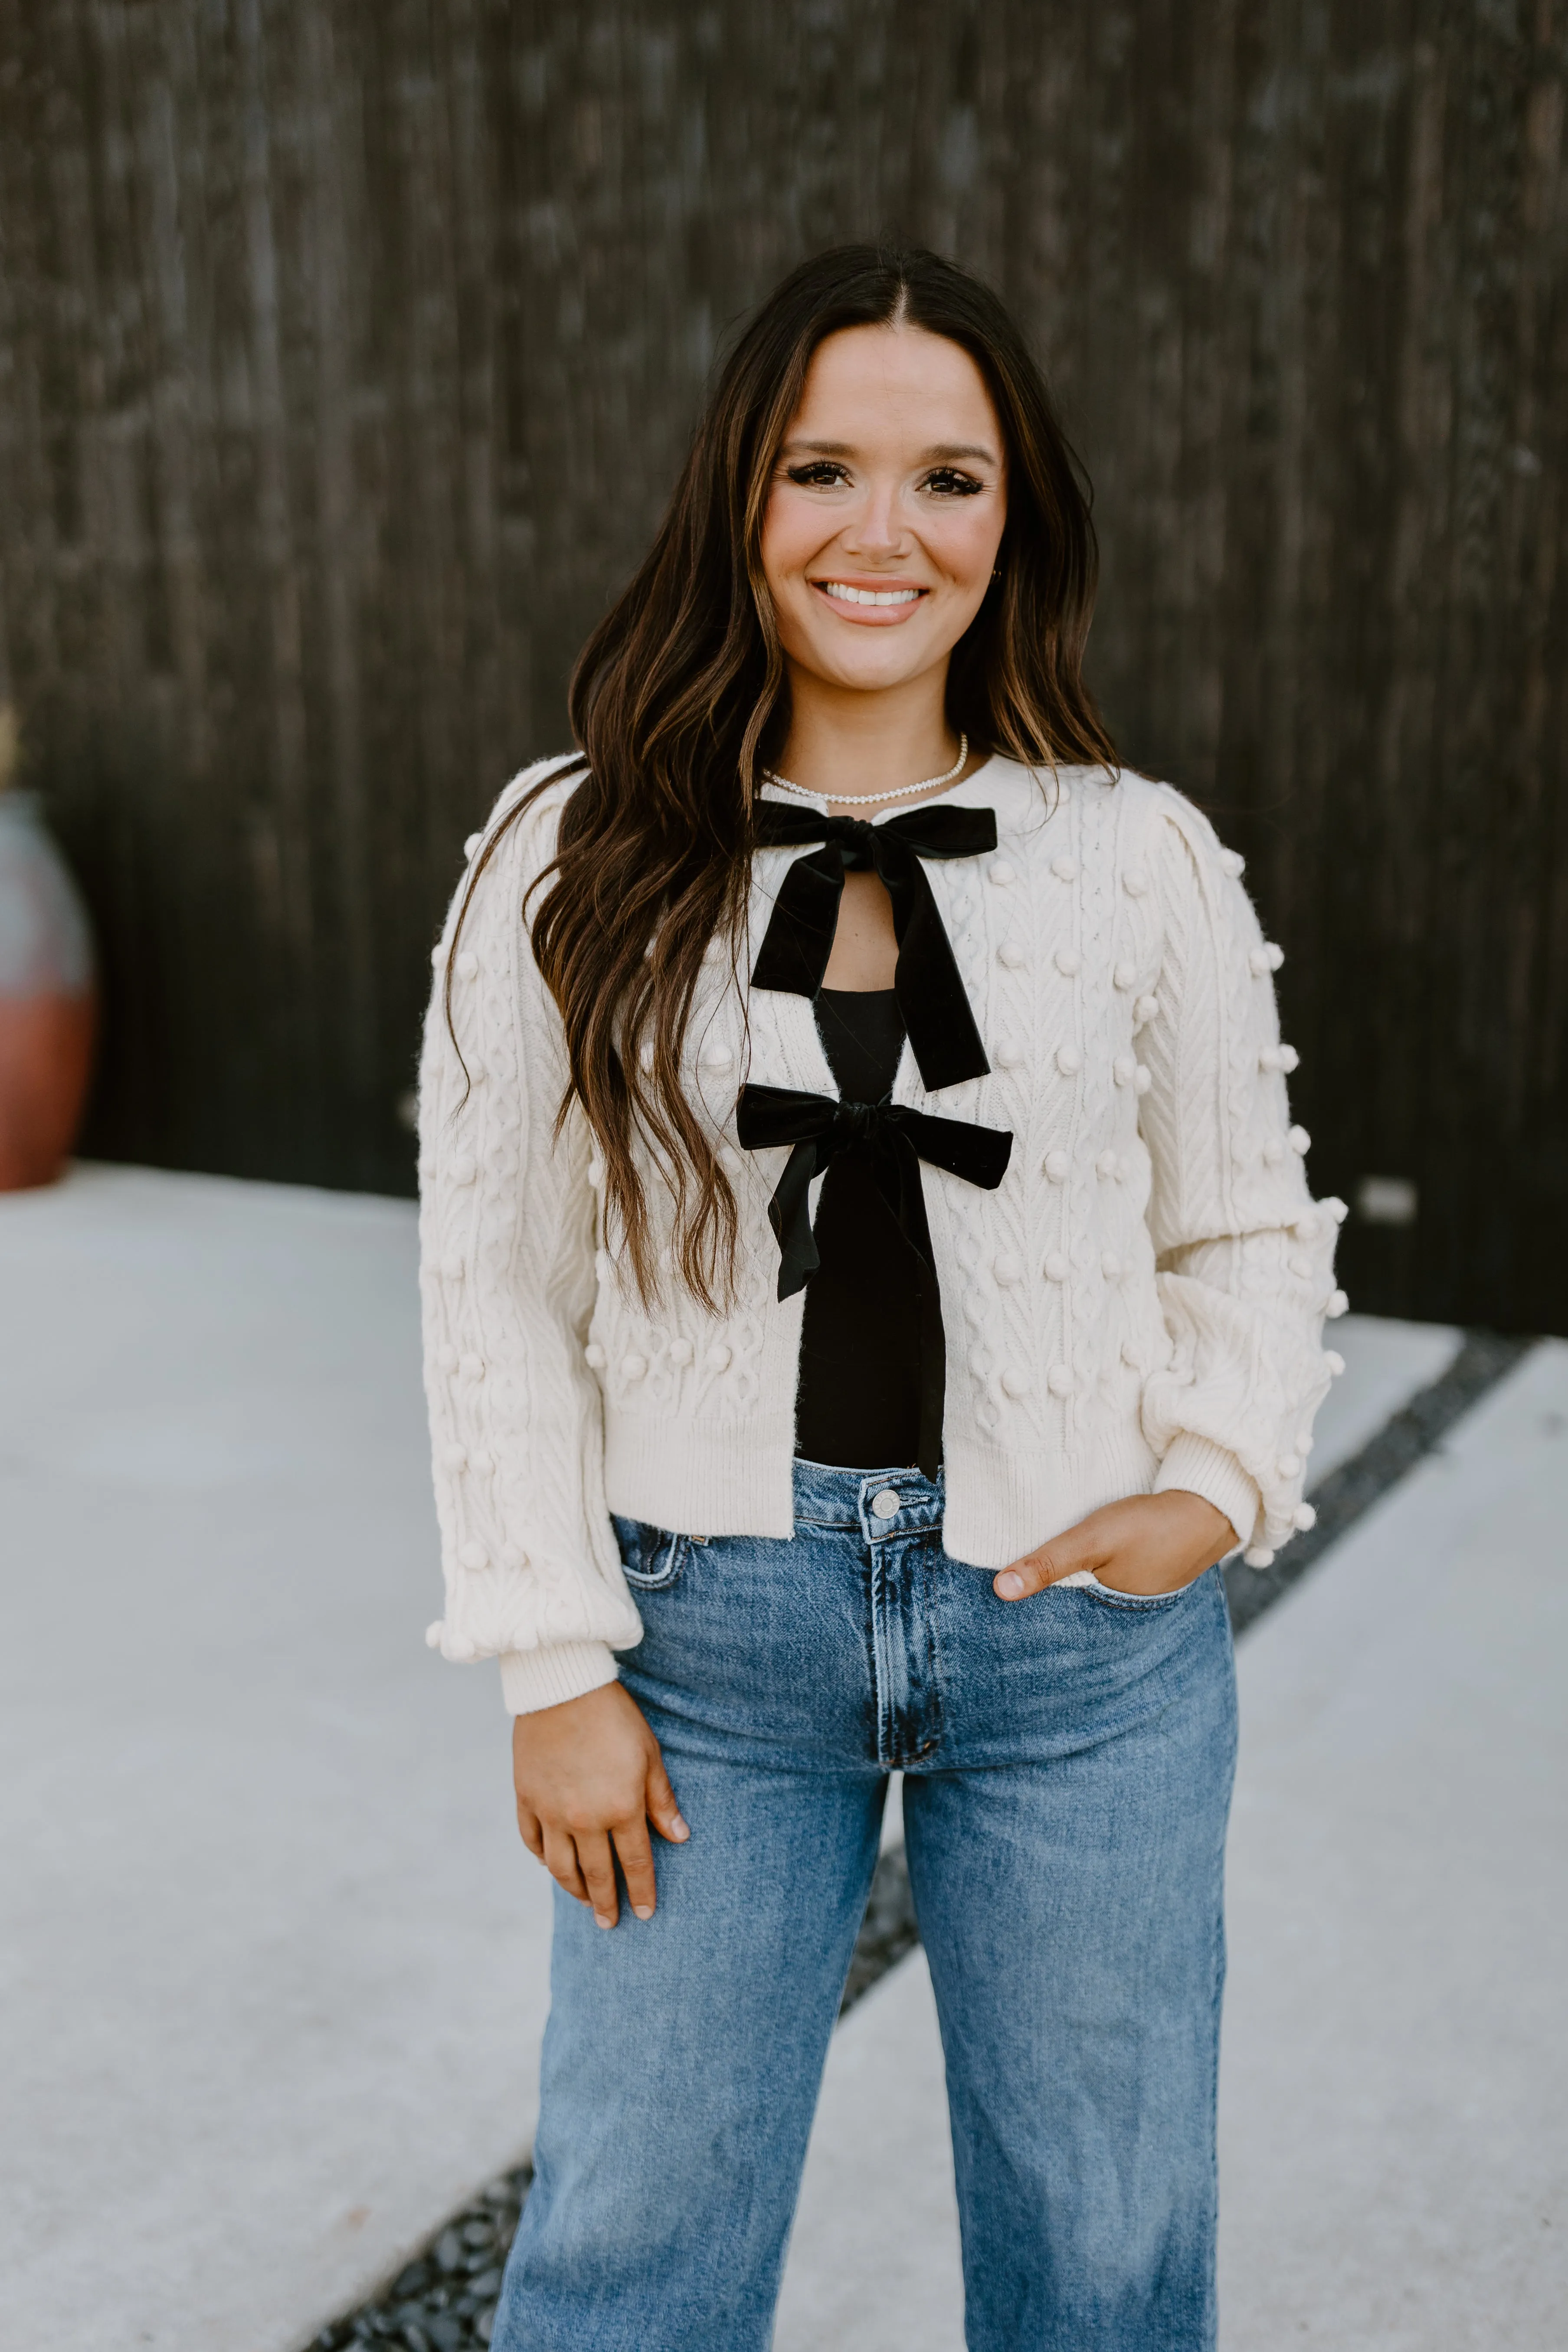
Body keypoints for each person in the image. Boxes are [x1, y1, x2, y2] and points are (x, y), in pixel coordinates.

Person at [418, 244, 1342, 2352]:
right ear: (739, 491)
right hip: (701, 1656)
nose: (883, 532)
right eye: (825, 467)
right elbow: (494, 1281)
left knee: (1108, 2257)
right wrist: (548, 1652)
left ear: (1015, 523)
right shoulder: (565, 852)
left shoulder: (1139, 853)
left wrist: (1214, 1480)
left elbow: (1247, 1227)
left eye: (952, 478)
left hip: (1082, 1652)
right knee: (629, 2258)